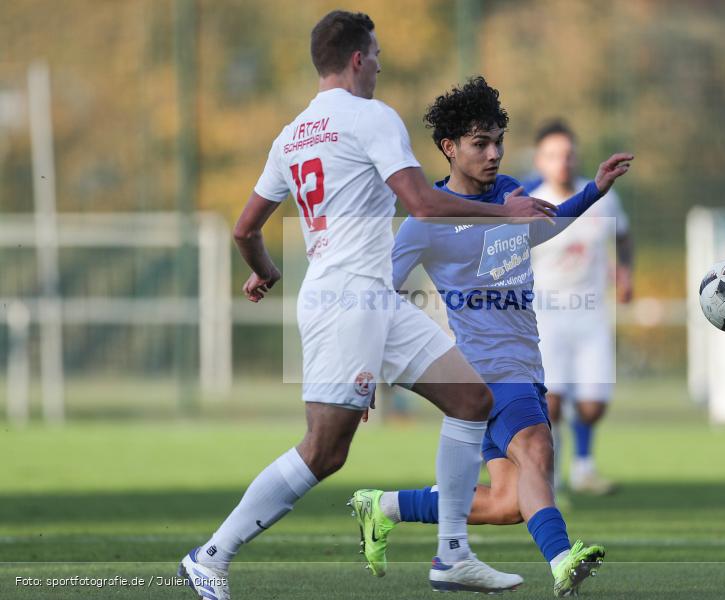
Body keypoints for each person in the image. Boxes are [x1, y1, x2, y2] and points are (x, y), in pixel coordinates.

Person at [177, 12, 558, 600]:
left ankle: (452, 556)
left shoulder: (292, 134)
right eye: (376, 53)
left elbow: (245, 228)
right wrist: (505, 211)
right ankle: (211, 555)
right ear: (357, 58)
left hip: (370, 298)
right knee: (325, 452)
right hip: (348, 302)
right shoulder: (371, 116)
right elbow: (423, 204)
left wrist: (265, 271)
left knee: (471, 397)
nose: (380, 63)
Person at [350, 76, 633, 597]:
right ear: (449, 148)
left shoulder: (510, 196)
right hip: (484, 368)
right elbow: (376, 294)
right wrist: (363, 371)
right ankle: (562, 559)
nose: (494, 153)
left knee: (507, 502)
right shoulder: (425, 220)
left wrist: (594, 190)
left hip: (525, 362)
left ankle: (383, 506)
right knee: (538, 449)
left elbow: (545, 227)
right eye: (481, 143)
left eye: (499, 141)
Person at [529, 120, 635, 495]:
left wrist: (624, 273)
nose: (563, 161)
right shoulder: (533, 203)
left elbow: (622, 235)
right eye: (553, 155)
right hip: (547, 315)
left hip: (592, 314)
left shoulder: (603, 198)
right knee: (551, 401)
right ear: (539, 161)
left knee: (592, 406)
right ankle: (552, 478)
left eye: (568, 153)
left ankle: (583, 467)